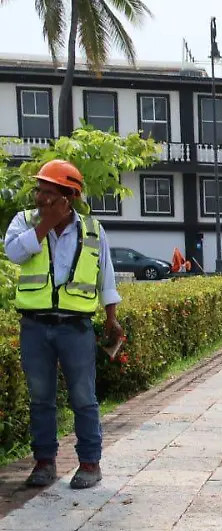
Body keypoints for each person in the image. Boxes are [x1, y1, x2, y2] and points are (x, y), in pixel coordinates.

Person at [4, 159, 123, 490]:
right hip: (35, 326)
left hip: (76, 328)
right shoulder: (25, 222)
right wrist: (45, 225)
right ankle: (44, 463)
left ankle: (89, 463)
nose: (40, 197)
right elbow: (14, 253)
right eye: (39, 190)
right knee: (41, 397)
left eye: (49, 192)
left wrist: (111, 319)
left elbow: (106, 279)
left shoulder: (94, 231)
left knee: (84, 396)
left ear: (68, 196)